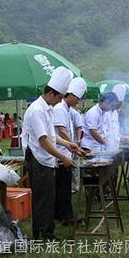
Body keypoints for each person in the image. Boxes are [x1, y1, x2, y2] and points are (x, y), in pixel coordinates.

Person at [22, 66, 80, 240]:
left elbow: (52, 137)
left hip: (46, 160)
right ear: (50, 94)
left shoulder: (48, 108)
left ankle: (48, 232)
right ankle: (41, 235)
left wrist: (69, 144)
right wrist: (63, 157)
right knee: (42, 200)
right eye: (60, 97)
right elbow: (44, 141)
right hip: (38, 160)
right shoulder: (37, 110)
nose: (59, 101)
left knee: (49, 198)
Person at [53, 77, 87, 224]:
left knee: (63, 187)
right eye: (77, 98)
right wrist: (73, 145)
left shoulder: (67, 109)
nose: (78, 101)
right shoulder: (60, 108)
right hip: (61, 153)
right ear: (71, 95)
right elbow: (61, 130)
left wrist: (74, 147)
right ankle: (66, 216)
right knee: (63, 188)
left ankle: (60, 214)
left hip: (66, 151)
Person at [103, 84, 127, 150]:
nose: (119, 106)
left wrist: (122, 137)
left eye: (121, 103)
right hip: (106, 147)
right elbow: (104, 132)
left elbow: (115, 131)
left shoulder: (116, 113)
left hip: (115, 146)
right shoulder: (106, 112)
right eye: (118, 103)